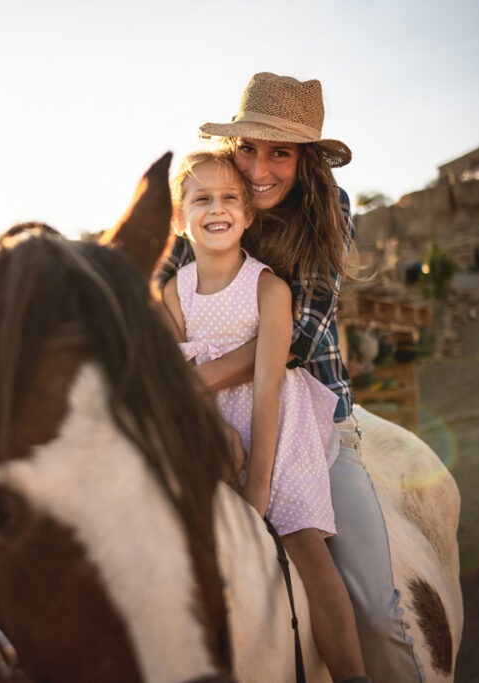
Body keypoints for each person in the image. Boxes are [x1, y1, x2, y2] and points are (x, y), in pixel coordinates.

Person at [157, 72, 426, 682]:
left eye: (279, 152)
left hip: (312, 421)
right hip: (212, 421)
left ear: (304, 159)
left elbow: (293, 345)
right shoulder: (210, 198)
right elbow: (168, 330)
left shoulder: (329, 209)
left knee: (379, 609)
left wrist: (190, 384)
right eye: (247, 148)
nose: (258, 169)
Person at [162, 149, 367, 683]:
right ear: (178, 218)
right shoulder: (173, 292)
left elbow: (272, 378)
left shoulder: (268, 286)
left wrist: (257, 483)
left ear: (248, 216)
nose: (218, 207)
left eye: (230, 199)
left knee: (303, 541)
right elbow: (170, 364)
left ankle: (353, 676)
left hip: (280, 424)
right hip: (213, 428)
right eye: (202, 199)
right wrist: (210, 427)